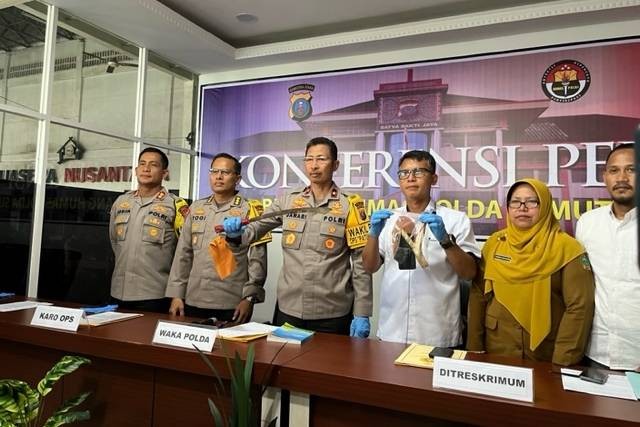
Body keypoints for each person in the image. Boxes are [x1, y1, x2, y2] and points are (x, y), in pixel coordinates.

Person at [223, 137, 372, 336]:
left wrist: (362, 312)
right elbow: (255, 228)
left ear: (336, 164)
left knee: (327, 367)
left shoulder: (349, 205)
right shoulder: (289, 200)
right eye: (309, 159)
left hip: (333, 311)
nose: (314, 165)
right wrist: (235, 234)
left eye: (321, 159)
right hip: (289, 308)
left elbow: (361, 263)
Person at [468, 178, 595, 366]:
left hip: (546, 353)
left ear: (545, 206)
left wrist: (562, 362)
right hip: (497, 349)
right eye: (515, 202)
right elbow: (479, 295)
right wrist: (474, 349)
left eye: (532, 202)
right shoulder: (495, 243)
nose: (522, 208)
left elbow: (579, 308)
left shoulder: (568, 249)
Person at [362, 150, 479, 346]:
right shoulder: (389, 220)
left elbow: (469, 273)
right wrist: (373, 234)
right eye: (404, 173)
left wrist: (446, 240)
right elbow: (369, 266)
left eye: (418, 172)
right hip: (392, 330)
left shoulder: (455, 220)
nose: (410, 178)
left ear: (433, 178)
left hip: (438, 331)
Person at [165, 153, 269, 323]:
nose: (218, 177)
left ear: (237, 178)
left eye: (225, 172)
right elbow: (183, 254)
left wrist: (249, 299)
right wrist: (177, 295)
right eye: (214, 171)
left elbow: (258, 260)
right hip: (193, 299)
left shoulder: (250, 209)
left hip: (231, 302)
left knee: (228, 349)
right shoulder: (197, 208)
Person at [576, 143, 639, 370]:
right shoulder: (588, 222)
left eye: (632, 169)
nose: (622, 177)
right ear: (605, 177)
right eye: (614, 170)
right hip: (596, 354)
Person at [109, 147, 188, 313]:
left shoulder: (176, 205)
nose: (146, 169)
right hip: (118, 292)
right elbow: (115, 241)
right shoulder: (122, 201)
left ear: (164, 173)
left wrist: (177, 294)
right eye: (142, 164)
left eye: (153, 165)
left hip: (155, 295)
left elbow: (185, 253)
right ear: (136, 170)